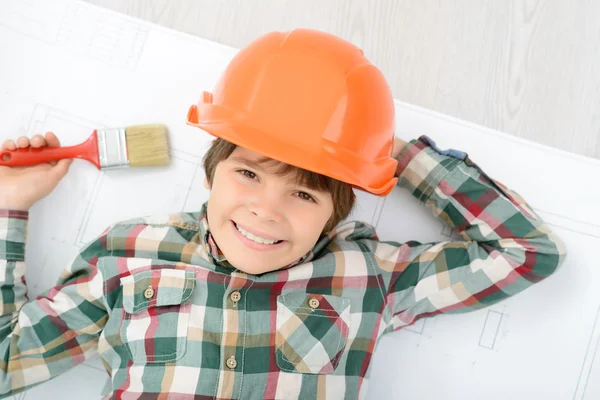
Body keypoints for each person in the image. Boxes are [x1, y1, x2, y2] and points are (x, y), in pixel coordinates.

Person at [0, 29, 566, 399]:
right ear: (210, 173)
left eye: (304, 194)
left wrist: (386, 152)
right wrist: (10, 208)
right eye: (247, 174)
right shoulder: (129, 253)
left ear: (334, 214)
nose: (265, 212)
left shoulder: (369, 274)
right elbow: (9, 360)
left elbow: (527, 254)